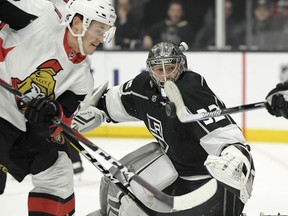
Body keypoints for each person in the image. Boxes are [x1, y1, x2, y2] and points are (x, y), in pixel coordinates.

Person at [77, 41, 255, 216]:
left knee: (131, 207)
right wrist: (92, 111)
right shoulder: (143, 88)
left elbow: (225, 134)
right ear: (150, 70)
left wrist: (234, 154)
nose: (165, 76)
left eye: (170, 68)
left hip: (206, 180)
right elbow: (108, 104)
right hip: (175, 169)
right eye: (159, 70)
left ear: (181, 66)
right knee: (115, 186)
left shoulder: (190, 89)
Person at [0, 0, 116, 215]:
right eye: (99, 30)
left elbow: (59, 120)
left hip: (16, 124)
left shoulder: (82, 79)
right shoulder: (41, 17)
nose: (102, 39)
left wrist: (50, 113)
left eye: (105, 32)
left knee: (57, 172)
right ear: (79, 23)